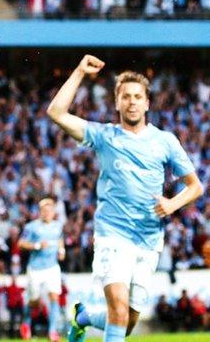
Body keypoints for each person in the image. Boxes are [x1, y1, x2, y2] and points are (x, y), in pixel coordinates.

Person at [47, 55, 203, 342]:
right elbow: (56, 113)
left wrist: (172, 204)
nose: (132, 101)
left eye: (137, 97)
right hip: (112, 234)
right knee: (118, 310)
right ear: (117, 103)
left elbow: (195, 187)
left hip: (148, 240)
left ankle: (84, 317)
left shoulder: (165, 141)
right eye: (126, 96)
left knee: (127, 322)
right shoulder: (104, 136)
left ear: (147, 103)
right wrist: (80, 71)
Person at [18, 197, 65, 342]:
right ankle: (26, 323)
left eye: (49, 210)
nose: (47, 213)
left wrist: (62, 250)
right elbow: (21, 243)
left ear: (53, 212)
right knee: (34, 300)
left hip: (52, 267)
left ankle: (52, 331)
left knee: (54, 296)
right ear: (40, 212)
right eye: (44, 210)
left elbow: (60, 240)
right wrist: (37, 245)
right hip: (36, 268)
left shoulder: (58, 226)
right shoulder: (31, 227)